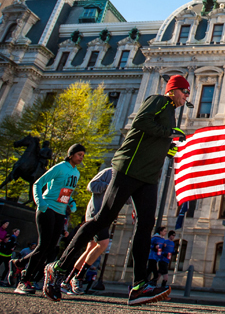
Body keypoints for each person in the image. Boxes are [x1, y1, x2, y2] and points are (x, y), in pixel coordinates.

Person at [43, 75, 190, 306]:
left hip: (148, 176)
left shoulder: (170, 112)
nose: (186, 97)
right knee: (103, 219)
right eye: (185, 92)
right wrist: (168, 133)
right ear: (173, 90)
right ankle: (59, 267)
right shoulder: (160, 100)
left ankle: (140, 285)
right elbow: (140, 122)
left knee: (145, 226)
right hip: (130, 168)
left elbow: (155, 136)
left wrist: (169, 146)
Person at [10, 143, 83, 296]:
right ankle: (24, 281)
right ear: (71, 155)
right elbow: (38, 183)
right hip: (47, 207)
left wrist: (71, 202)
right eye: (79, 154)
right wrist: (40, 203)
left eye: (82, 155)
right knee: (43, 246)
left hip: (60, 212)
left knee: (51, 248)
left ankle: (19, 263)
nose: (81, 157)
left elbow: (65, 192)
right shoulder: (60, 167)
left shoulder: (76, 173)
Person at [62, 165, 113, 294]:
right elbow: (91, 185)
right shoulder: (108, 172)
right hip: (96, 214)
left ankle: (67, 280)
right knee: (103, 243)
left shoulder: (125, 179)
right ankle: (78, 277)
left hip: (106, 217)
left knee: (91, 248)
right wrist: (109, 187)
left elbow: (128, 200)